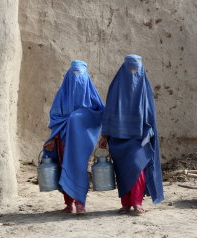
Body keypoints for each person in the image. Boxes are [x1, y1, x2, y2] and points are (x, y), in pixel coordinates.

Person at [99, 54, 164, 215]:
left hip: (138, 137)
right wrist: (105, 135)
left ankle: (136, 201)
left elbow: (150, 114)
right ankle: (126, 203)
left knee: (137, 166)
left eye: (136, 68)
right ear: (123, 68)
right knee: (122, 171)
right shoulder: (115, 87)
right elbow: (109, 112)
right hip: (117, 138)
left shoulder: (144, 87)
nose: (133, 72)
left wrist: (148, 133)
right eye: (130, 68)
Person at [43, 60, 104, 215]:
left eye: (79, 74)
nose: (76, 77)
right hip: (62, 140)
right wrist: (53, 138)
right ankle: (68, 203)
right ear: (68, 76)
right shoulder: (61, 96)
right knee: (65, 167)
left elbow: (98, 115)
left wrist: (77, 117)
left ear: (85, 77)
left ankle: (80, 203)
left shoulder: (91, 98)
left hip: (81, 142)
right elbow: (56, 119)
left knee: (79, 169)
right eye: (73, 73)